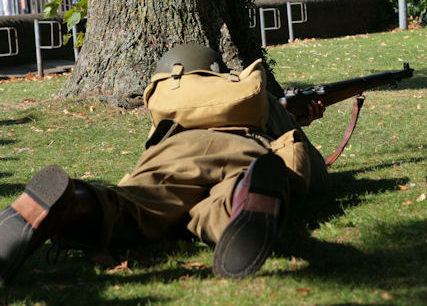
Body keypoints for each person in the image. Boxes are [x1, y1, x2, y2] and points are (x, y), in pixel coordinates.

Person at [0, 43, 328, 286]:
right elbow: (316, 170)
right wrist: (298, 123)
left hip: (176, 151)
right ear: (218, 73)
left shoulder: (169, 107)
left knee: (134, 204)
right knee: (222, 202)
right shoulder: (254, 98)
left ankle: (75, 203)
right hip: (247, 149)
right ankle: (244, 199)